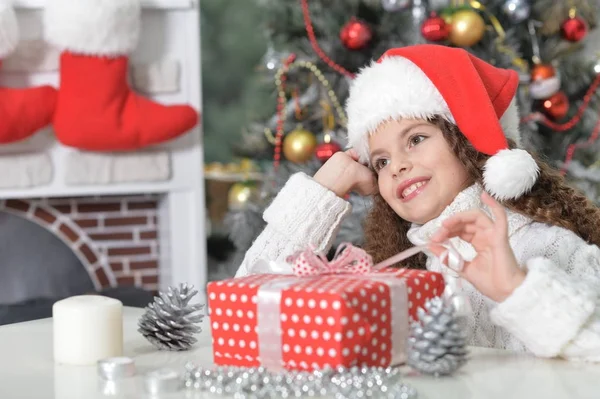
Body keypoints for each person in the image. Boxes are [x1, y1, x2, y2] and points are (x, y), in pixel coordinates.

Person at [236, 44, 600, 362]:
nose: (397, 167)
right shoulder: (402, 278)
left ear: (469, 141)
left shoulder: (548, 248)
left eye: (416, 139)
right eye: (380, 162)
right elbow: (243, 316)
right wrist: (323, 191)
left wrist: (516, 288)